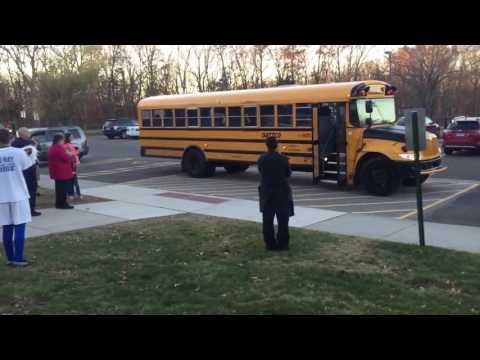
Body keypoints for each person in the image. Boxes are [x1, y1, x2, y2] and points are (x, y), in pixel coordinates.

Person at [0, 128, 32, 267]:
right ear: (10, 138)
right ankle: (18, 258)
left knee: (7, 226)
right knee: (20, 226)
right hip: (18, 194)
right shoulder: (19, 153)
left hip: (2, 196)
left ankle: (10, 257)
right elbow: (27, 165)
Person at [257, 136, 294, 251]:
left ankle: (270, 244)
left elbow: (261, 172)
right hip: (282, 192)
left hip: (267, 193)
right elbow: (288, 174)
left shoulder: (261, 158)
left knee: (267, 221)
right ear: (276, 145)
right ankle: (283, 244)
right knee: (283, 220)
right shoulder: (283, 158)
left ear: (266, 145)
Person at [11, 127, 41, 216]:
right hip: (26, 169)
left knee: (29, 188)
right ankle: (28, 209)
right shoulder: (21, 143)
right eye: (27, 132)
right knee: (29, 189)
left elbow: (37, 151)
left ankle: (29, 209)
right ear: (22, 134)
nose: (29, 133)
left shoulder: (19, 142)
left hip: (27, 169)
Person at [48, 133, 74, 210]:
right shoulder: (58, 148)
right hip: (61, 172)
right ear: (59, 140)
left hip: (57, 171)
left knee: (59, 189)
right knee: (62, 189)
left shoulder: (52, 147)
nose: (63, 141)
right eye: (62, 140)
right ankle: (63, 204)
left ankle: (59, 203)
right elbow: (66, 158)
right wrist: (70, 155)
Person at [63, 133, 82, 200]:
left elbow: (73, 152)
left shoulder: (70, 144)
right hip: (70, 164)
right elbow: (69, 154)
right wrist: (77, 151)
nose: (72, 137)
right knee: (71, 179)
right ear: (67, 138)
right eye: (71, 137)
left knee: (73, 179)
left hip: (74, 164)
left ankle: (76, 194)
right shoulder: (65, 145)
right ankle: (72, 194)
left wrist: (76, 150)